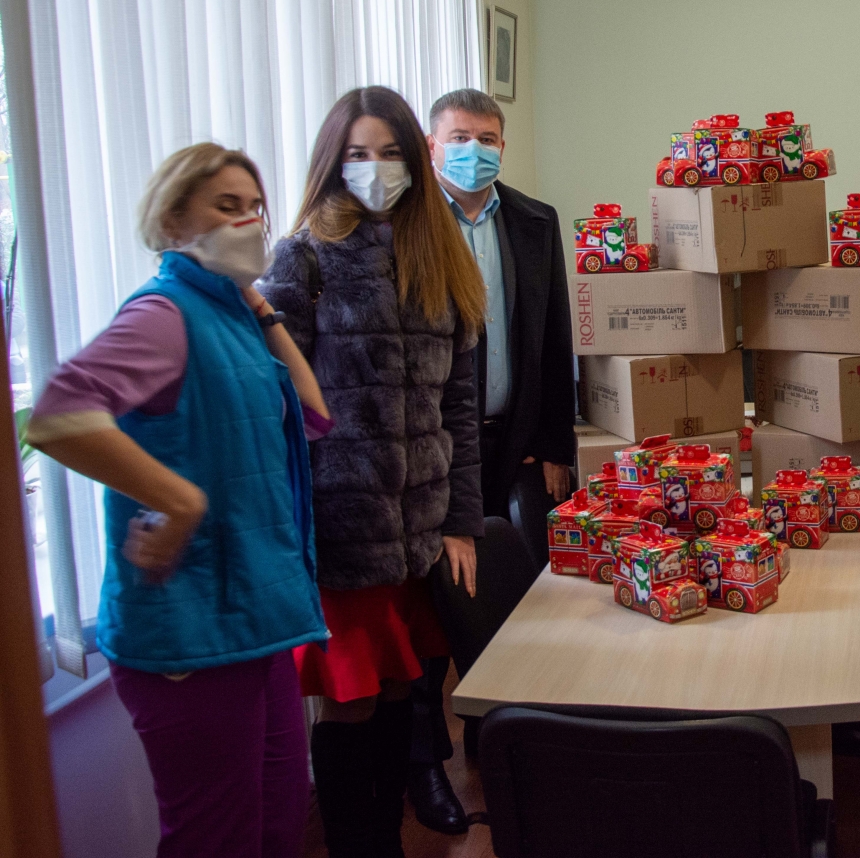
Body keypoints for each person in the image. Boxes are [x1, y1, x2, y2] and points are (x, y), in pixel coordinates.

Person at [27, 144, 329, 857]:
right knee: (216, 838)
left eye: (255, 207)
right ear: (171, 223)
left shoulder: (227, 314)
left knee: (280, 819)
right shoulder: (165, 314)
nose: (249, 222)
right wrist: (180, 502)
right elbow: (59, 415)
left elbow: (312, 411)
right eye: (227, 206)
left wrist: (260, 305)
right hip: (190, 634)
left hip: (253, 619)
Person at [259, 85, 487, 858]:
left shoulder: (441, 256)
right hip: (341, 532)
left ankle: (386, 837)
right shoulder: (303, 258)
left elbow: (458, 406)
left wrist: (461, 522)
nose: (375, 168)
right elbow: (275, 409)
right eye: (358, 153)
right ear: (333, 162)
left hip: (419, 530)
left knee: (402, 694)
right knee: (351, 703)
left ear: (415, 161)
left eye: (390, 152)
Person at [402, 87, 577, 833]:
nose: (475, 149)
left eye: (488, 138)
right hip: (434, 448)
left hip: (516, 440)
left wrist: (558, 446)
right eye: (460, 136)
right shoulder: (406, 226)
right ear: (432, 146)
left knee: (517, 591)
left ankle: (497, 738)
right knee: (436, 604)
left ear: (504, 145)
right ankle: (426, 765)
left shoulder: (535, 220)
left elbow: (554, 335)